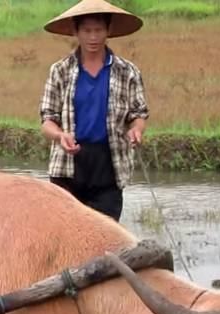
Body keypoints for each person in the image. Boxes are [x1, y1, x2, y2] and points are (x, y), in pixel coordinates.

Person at [39, 0, 149, 222]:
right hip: (68, 167)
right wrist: (61, 136)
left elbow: (139, 113)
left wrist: (136, 130)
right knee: (67, 236)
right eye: (87, 30)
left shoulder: (127, 71)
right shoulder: (60, 70)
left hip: (109, 165)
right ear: (76, 32)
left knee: (105, 237)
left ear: (108, 31)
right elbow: (47, 120)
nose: (93, 37)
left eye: (98, 30)